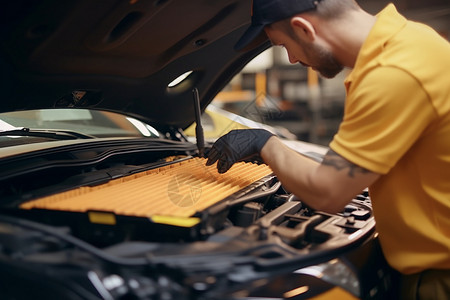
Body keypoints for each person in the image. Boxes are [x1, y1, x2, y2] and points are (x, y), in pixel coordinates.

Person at [205, 0, 450, 299]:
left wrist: (264, 142)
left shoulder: (394, 72)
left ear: (303, 28)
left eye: (283, 46)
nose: (292, 59)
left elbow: (327, 193)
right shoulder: (411, 42)